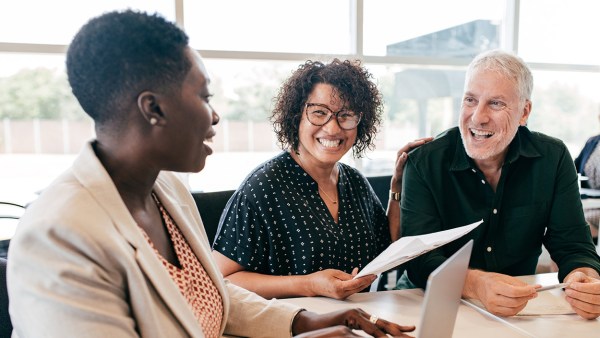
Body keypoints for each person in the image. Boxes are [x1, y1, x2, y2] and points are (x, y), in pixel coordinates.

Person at [7, 10, 416, 338]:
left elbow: (213, 297)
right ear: (154, 109)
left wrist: (305, 322)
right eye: (204, 96)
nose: (215, 115)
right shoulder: (57, 235)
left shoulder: (166, 191)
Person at [400, 49, 600, 319]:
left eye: (495, 104)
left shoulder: (552, 158)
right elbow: (419, 260)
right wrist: (476, 284)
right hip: (426, 302)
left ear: (524, 112)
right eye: (470, 100)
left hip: (518, 309)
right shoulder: (424, 162)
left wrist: (583, 278)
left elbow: (573, 246)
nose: (477, 117)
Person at [212, 58, 432, 300]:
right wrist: (309, 285)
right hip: (292, 326)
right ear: (296, 116)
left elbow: (388, 247)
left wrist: (397, 185)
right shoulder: (262, 188)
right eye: (319, 113)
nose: (333, 128)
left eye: (346, 115)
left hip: (355, 321)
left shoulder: (355, 182)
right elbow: (223, 279)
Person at [574, 114, 600, 243]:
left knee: (574, 226)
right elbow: (574, 166)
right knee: (561, 221)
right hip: (588, 201)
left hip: (596, 208)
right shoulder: (593, 141)